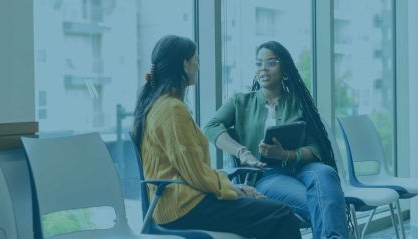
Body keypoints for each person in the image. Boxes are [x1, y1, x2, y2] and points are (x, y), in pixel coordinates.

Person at [132, 35, 301, 239]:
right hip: (184, 208)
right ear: (185, 65)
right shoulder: (171, 110)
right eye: (197, 60)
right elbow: (196, 174)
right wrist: (234, 190)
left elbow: (193, 172)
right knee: (281, 215)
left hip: (180, 203)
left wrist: (234, 187)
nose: (198, 66)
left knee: (266, 214)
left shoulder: (158, 104)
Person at [204, 41, 348, 239]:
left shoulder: (298, 103)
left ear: (284, 69)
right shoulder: (240, 102)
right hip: (268, 175)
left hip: (302, 168)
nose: (263, 68)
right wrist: (242, 152)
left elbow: (316, 148)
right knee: (326, 204)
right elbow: (211, 127)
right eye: (258, 63)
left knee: (325, 172)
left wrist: (286, 154)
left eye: (271, 62)